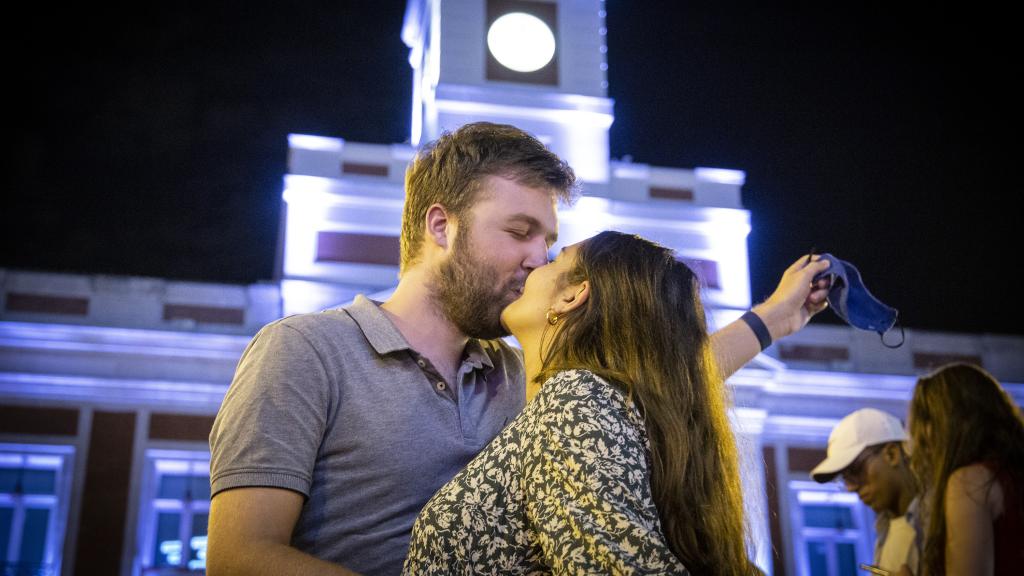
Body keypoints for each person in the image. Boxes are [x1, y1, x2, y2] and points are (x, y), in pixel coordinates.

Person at [206, 121, 832, 576]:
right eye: (520, 232)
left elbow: (661, 379)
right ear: (441, 226)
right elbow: (240, 558)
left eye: (550, 241)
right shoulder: (305, 350)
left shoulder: (530, 376)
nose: (541, 258)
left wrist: (773, 319)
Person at [404, 231, 767, 575]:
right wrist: (776, 317)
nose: (534, 262)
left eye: (554, 258)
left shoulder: (574, 399)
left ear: (572, 296)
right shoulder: (600, 405)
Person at [903, 363, 1024, 576]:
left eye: (923, 425)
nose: (921, 444)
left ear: (944, 423)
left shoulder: (969, 482)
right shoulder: (1010, 475)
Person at [809, 408, 920, 574]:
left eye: (855, 471)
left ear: (892, 454)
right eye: (845, 478)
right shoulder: (884, 530)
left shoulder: (940, 517)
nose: (850, 488)